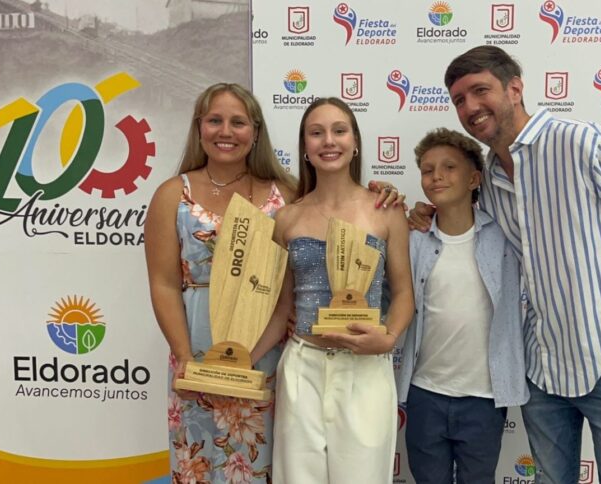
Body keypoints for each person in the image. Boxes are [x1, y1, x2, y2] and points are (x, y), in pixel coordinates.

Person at [409, 46, 601, 483]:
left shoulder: (584, 144)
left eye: (480, 90)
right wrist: (425, 214)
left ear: (515, 89)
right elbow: (466, 223)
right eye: (459, 99)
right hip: (543, 370)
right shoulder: (489, 179)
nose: (470, 106)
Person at [144, 84, 401, 483]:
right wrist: (185, 357)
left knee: (265, 463)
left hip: (265, 348)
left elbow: (337, 212)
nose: (226, 131)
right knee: (198, 459)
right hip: (197, 346)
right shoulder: (173, 194)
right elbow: (163, 284)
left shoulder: (285, 195)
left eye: (238, 122)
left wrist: (389, 195)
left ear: (256, 132)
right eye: (215, 120)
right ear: (199, 127)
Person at [248, 97, 414, 483]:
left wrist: (389, 337)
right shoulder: (287, 218)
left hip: (364, 370)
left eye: (339, 131)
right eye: (316, 132)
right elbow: (282, 309)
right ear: (305, 148)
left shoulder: (386, 210)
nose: (328, 141)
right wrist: (243, 361)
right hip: (301, 368)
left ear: (355, 143)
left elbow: (404, 293)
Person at [396, 128, 528, 484]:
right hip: (425, 394)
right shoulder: (413, 238)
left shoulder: (505, 237)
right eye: (427, 170)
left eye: (449, 167)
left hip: (483, 398)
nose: (437, 176)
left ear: (474, 179)